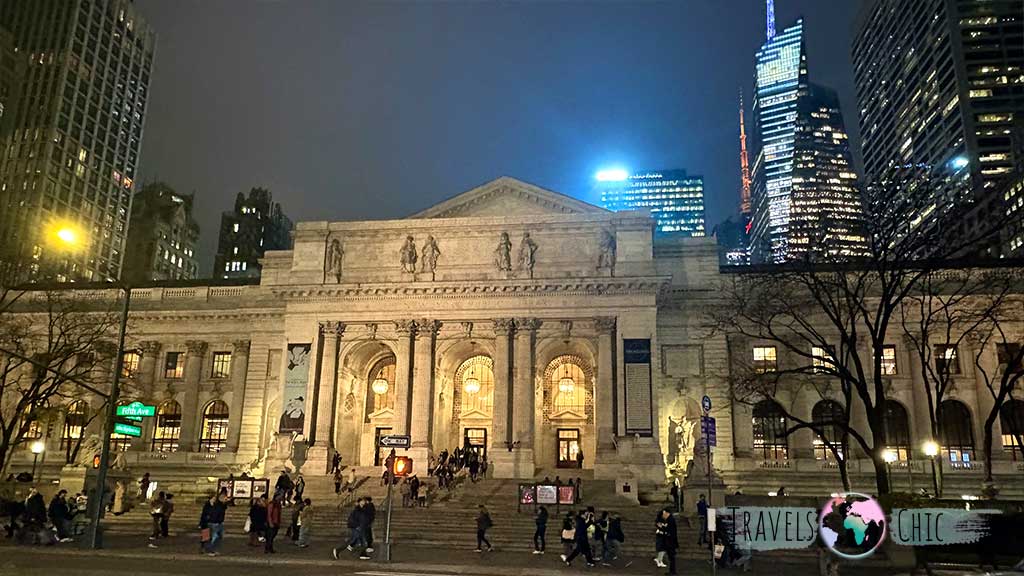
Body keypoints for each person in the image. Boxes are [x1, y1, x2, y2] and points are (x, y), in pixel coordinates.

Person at [199, 491, 228, 556]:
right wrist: (201, 523)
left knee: (217, 538)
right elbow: (204, 514)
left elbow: (223, 508)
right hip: (209, 523)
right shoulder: (208, 505)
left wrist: (224, 501)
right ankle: (208, 550)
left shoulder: (218, 504)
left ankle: (213, 550)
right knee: (209, 537)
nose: (214, 499)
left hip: (217, 522)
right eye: (213, 498)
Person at [659, 507, 679, 576]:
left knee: (671, 558)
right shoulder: (669, 519)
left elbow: (670, 531)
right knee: (671, 558)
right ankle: (672, 571)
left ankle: (673, 572)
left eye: (664, 513)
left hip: (670, 542)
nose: (663, 515)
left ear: (667, 513)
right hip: (670, 541)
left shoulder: (670, 520)